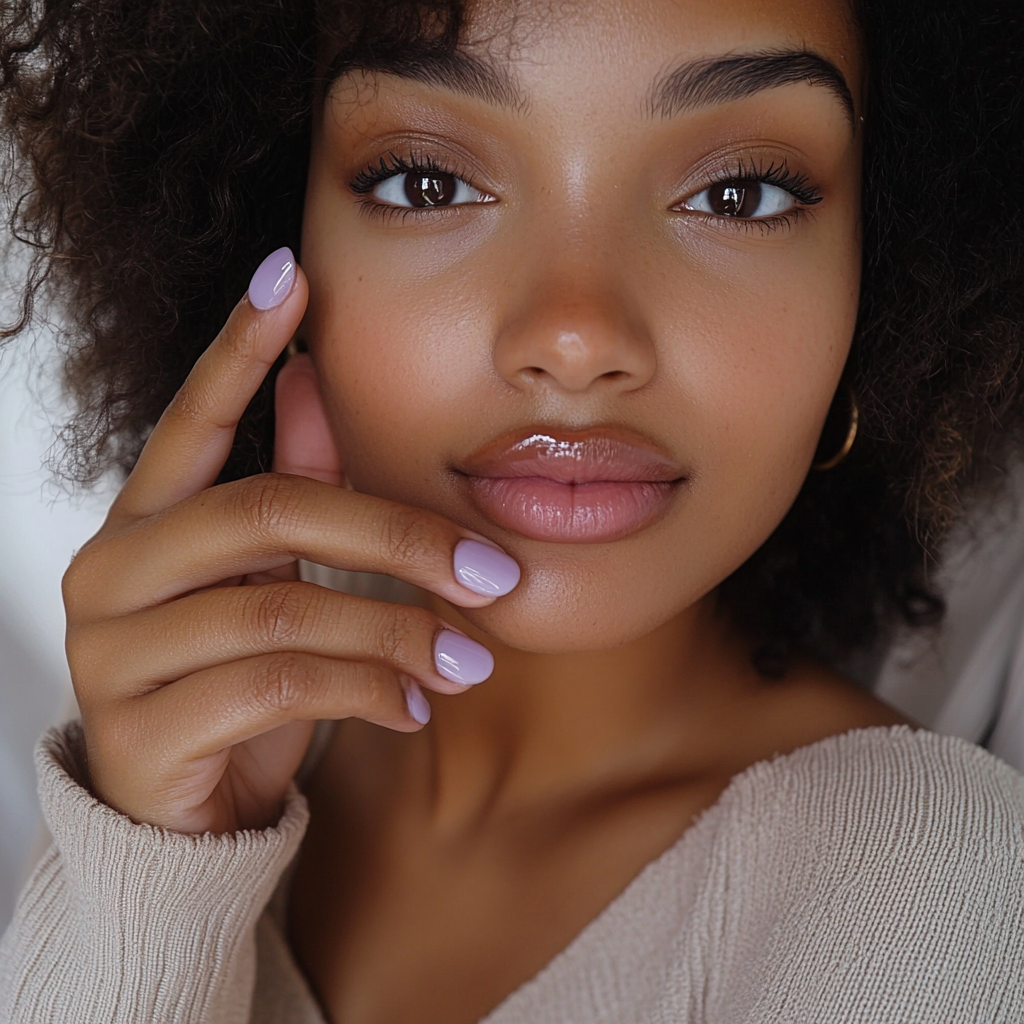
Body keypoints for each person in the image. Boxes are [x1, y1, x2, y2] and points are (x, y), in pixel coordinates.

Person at [1, 0, 1023, 1021]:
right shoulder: (184, 710)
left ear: (879, 275)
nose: (574, 336)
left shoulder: (921, 882)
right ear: (278, 219)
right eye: (427, 181)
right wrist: (146, 883)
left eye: (738, 192)